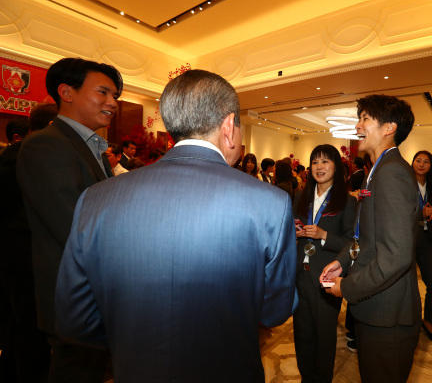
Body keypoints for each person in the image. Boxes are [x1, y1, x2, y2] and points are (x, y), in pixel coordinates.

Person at [54, 69, 298, 382]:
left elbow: (75, 319)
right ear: (229, 126)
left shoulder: (96, 198)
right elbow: (276, 310)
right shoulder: (270, 202)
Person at [16, 57, 121, 383]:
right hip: (76, 298)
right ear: (66, 92)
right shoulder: (46, 145)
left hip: (95, 293)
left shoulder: (91, 148)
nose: (112, 103)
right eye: (103, 92)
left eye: (115, 95)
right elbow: (74, 227)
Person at [320, 94, 421, 382]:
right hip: (375, 310)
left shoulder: (392, 174)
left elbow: (396, 256)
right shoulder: (375, 173)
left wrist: (347, 286)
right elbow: (364, 237)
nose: (357, 125)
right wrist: (342, 262)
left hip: (388, 316)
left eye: (365, 119)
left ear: (389, 127)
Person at [293, 144, 356, 382]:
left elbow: (352, 244)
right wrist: (293, 232)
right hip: (300, 275)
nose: (319, 167)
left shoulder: (347, 202)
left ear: (336, 167)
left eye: (325, 161)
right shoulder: (301, 197)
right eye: (315, 162)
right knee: (302, 335)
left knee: (324, 337)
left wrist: (324, 236)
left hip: (326, 279)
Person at [0, 116, 52, 382]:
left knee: (21, 325)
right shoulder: (19, 156)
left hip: (26, 254)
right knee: (28, 326)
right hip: (22, 256)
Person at [411, 151, 432, 345]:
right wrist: (419, 213)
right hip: (408, 239)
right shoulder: (405, 183)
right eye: (418, 160)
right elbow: (399, 210)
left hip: (427, 239)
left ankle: (428, 321)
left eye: (426, 162)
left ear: (431, 165)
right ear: (413, 163)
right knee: (408, 285)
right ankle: (409, 321)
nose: (421, 164)